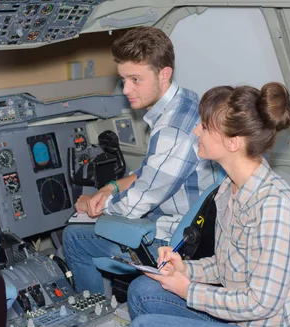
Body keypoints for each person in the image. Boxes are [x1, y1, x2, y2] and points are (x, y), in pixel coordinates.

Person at [88, 82, 290, 327]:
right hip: (245, 325)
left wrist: (188, 290)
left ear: (233, 142)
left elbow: (260, 302)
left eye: (205, 126)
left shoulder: (275, 205)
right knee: (144, 290)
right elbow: (227, 264)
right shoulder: (230, 189)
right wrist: (186, 271)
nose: (196, 130)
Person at [62, 27, 215, 294]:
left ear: (164, 73)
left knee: (74, 237)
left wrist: (92, 205)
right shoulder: (188, 101)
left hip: (178, 239)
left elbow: (135, 205)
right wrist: (111, 187)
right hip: (194, 224)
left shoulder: (173, 130)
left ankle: (93, 317)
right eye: (123, 80)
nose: (126, 89)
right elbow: (149, 172)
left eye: (135, 79)